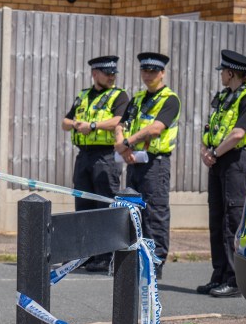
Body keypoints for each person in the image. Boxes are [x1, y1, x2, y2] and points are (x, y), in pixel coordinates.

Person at [197, 50, 246, 298]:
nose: (221, 75)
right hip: (217, 161)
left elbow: (239, 133)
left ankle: (234, 280)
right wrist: (205, 151)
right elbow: (209, 127)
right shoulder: (222, 96)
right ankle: (219, 275)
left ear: (231, 73)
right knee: (217, 219)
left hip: (233, 161)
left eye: (223, 71)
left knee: (233, 220)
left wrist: (214, 153)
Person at [114, 52, 181, 279]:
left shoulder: (170, 99)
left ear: (162, 73)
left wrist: (126, 143)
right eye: (145, 70)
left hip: (156, 165)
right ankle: (135, 261)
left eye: (153, 71)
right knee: (133, 213)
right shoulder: (138, 98)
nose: (148, 75)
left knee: (155, 215)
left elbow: (156, 129)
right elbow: (121, 124)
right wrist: (124, 148)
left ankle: (155, 263)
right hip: (135, 163)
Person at [61, 56, 130, 272]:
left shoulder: (119, 95)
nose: (111, 77)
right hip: (84, 156)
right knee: (83, 206)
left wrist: (92, 125)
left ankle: (105, 255)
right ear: (95, 74)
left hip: (105, 156)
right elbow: (65, 122)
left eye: (113, 74)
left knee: (104, 205)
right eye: (107, 73)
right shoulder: (83, 95)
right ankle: (86, 254)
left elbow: (119, 120)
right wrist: (76, 124)